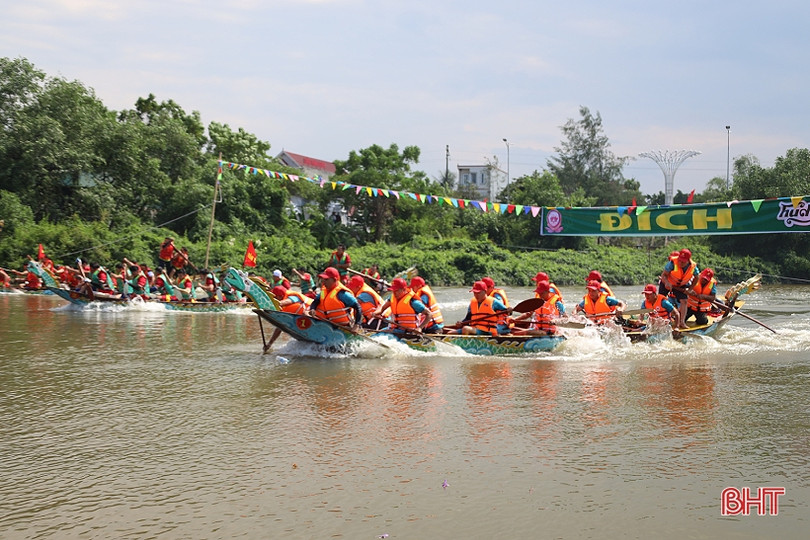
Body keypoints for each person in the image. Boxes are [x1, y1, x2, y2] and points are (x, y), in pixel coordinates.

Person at [447, 280, 512, 336]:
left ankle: (468, 346)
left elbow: (508, 312)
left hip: (487, 330)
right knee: (449, 333)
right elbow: (468, 318)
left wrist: (509, 310)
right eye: (474, 293)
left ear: (485, 291)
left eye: (478, 293)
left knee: (466, 329)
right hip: (475, 328)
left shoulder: (494, 302)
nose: (476, 295)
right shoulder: (473, 303)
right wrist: (461, 323)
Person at [660, 248, 699, 329]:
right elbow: (664, 275)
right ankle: (659, 320)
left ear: (688, 260)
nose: (681, 263)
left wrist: (690, 289)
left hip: (681, 285)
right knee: (661, 299)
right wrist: (667, 282)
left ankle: (682, 322)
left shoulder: (693, 267)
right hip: (668, 282)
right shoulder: (672, 263)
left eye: (683, 261)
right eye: (680, 260)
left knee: (684, 301)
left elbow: (697, 277)